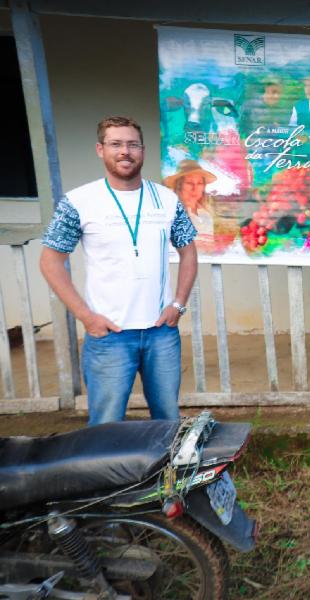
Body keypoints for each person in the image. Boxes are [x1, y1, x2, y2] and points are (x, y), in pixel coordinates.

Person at [39, 116, 198, 425]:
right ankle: (106, 476)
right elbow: (50, 261)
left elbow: (188, 250)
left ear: (143, 150)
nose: (125, 151)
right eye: (115, 144)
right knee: (106, 424)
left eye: (132, 144)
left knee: (167, 421)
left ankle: (161, 475)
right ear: (100, 150)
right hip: (109, 333)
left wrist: (178, 305)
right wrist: (86, 317)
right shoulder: (79, 201)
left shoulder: (166, 200)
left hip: (161, 332)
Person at [164, 159, 217, 253]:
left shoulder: (206, 214)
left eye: (199, 183)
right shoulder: (170, 213)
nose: (195, 188)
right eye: (189, 183)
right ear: (179, 186)